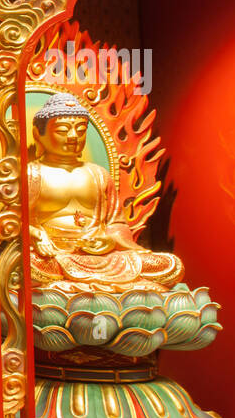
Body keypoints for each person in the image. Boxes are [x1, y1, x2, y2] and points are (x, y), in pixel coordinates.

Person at [27, 92, 183, 293]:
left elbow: (116, 223)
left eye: (81, 130)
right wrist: (35, 235)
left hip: (105, 259)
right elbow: (9, 223)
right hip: (54, 257)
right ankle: (118, 292)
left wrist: (109, 240)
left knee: (169, 265)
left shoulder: (99, 175)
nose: (73, 136)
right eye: (63, 130)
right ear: (39, 134)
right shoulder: (31, 173)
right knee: (27, 266)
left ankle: (75, 290)